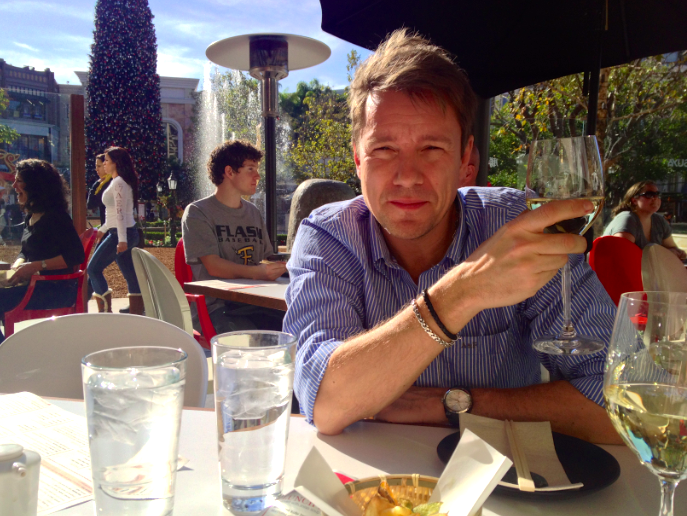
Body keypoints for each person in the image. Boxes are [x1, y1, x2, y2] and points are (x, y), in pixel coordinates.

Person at [284, 29, 620, 444]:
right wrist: (463, 292)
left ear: (464, 159)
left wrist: (449, 404)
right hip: (370, 481)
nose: (407, 176)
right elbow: (324, 403)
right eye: (384, 149)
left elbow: (619, 403)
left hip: (507, 477)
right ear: (357, 159)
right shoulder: (328, 236)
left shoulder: (517, 227)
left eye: (432, 149)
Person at [181, 140, 287, 334]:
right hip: (218, 307)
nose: (257, 176)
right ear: (229, 172)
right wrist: (257, 273)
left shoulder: (253, 212)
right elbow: (213, 266)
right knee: (257, 341)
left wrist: (288, 263)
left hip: (258, 302)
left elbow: (266, 258)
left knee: (301, 328)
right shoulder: (197, 212)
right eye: (250, 169)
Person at [0, 159, 85, 343]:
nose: (14, 186)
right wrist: (17, 267)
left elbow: (76, 255)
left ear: (35, 186)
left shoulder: (56, 217)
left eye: (19, 181)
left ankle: (4, 352)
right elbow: (25, 251)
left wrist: (35, 266)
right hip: (35, 285)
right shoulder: (31, 215)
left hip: (54, 289)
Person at [86, 147, 142, 314]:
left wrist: (122, 240)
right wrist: (103, 229)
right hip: (122, 232)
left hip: (120, 233)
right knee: (129, 272)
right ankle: (136, 308)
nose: (104, 163)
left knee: (93, 269)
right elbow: (115, 212)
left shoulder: (118, 183)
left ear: (116, 163)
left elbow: (120, 213)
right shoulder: (118, 181)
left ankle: (105, 311)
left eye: (107, 161)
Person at [603, 180, 686, 259]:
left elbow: (673, 249)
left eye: (657, 195)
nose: (655, 198)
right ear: (634, 200)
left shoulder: (659, 220)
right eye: (649, 195)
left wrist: (676, 253)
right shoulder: (627, 219)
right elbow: (623, 255)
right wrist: (665, 254)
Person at [86, 153, 111, 226]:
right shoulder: (105, 182)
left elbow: (91, 204)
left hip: (110, 226)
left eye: (99, 166)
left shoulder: (107, 184)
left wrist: (97, 183)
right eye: (96, 166)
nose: (96, 169)